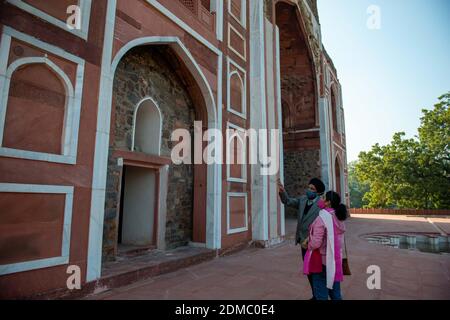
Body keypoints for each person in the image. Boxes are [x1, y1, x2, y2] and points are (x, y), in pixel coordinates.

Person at [278, 177, 326, 300]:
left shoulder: (321, 205)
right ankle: (316, 294)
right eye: (308, 187)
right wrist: (282, 192)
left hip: (315, 243)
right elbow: (288, 201)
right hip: (303, 242)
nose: (309, 190)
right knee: (308, 270)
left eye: (312, 189)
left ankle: (320, 295)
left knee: (317, 272)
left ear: (318, 192)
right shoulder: (303, 200)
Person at [304, 191, 348, 300]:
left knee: (321, 294)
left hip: (322, 260)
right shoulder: (338, 216)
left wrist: (307, 244)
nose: (321, 199)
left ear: (328, 202)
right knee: (335, 294)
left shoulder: (323, 218)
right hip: (335, 259)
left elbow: (316, 243)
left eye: (323, 198)